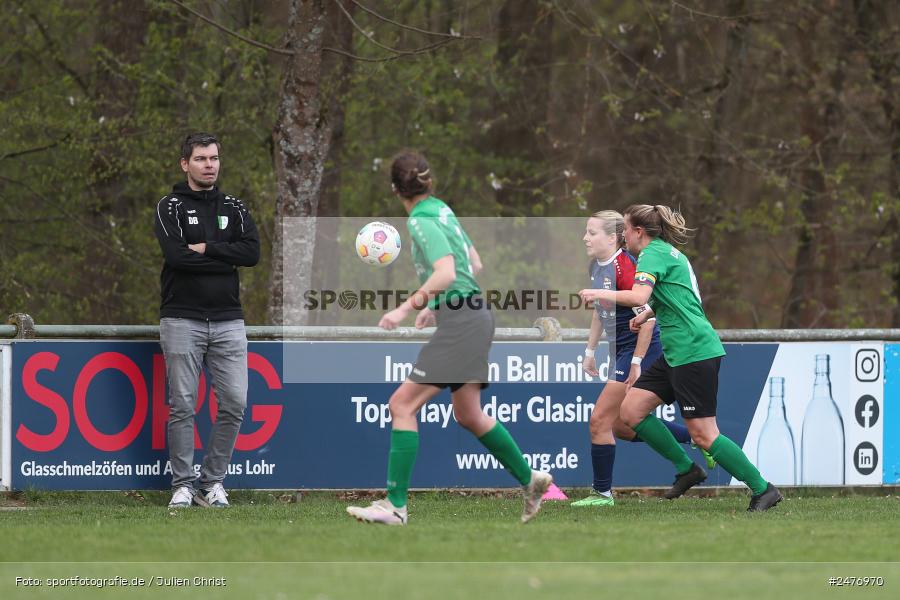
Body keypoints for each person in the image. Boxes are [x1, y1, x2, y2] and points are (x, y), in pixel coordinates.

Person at [347, 151, 552, 526]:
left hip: (462, 321)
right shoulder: (442, 210)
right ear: (429, 182)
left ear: (395, 189)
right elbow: (474, 263)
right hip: (474, 315)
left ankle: (395, 505)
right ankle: (531, 479)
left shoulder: (420, 220)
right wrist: (437, 304)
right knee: (468, 414)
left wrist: (406, 308)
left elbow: (447, 271)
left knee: (402, 406)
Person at [579, 204, 782, 511]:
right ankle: (686, 468)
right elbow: (678, 298)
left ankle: (763, 489)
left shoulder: (651, 255)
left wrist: (599, 295)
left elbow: (637, 296)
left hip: (693, 351)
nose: (624, 237)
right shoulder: (663, 253)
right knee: (630, 412)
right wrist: (648, 313)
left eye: (626, 230)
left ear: (638, 232)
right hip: (676, 353)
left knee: (704, 434)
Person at [573, 211, 713, 508]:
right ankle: (692, 450)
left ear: (613, 238)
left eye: (591, 232)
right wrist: (589, 351)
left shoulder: (627, 267)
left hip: (642, 349)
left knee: (600, 420)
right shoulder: (595, 267)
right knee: (623, 426)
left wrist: (636, 361)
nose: (585, 238)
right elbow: (601, 311)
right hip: (622, 352)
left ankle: (602, 494)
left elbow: (647, 320)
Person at [154, 132, 260, 508]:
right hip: (182, 318)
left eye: (214, 158)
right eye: (201, 158)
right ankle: (182, 484)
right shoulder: (169, 207)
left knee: (235, 402)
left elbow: (252, 253)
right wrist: (224, 258)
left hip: (229, 320)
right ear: (185, 164)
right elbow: (178, 257)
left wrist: (208, 248)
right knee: (183, 404)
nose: (209, 164)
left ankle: (210, 482)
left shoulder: (234, 206)